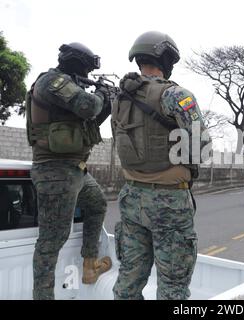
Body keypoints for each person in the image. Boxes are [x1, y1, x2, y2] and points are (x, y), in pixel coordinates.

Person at [111, 31, 209, 300]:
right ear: (167, 59)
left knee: (129, 279)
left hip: (131, 196)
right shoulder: (176, 95)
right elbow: (202, 145)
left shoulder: (119, 99)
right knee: (173, 287)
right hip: (169, 201)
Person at [25, 42, 112, 300]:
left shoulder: (67, 92)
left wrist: (106, 102)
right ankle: (43, 296)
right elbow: (87, 106)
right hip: (55, 172)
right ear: (77, 64)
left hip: (75, 171)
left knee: (97, 204)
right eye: (86, 69)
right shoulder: (53, 82)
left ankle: (89, 265)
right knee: (51, 242)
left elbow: (90, 119)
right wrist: (103, 95)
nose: (86, 77)